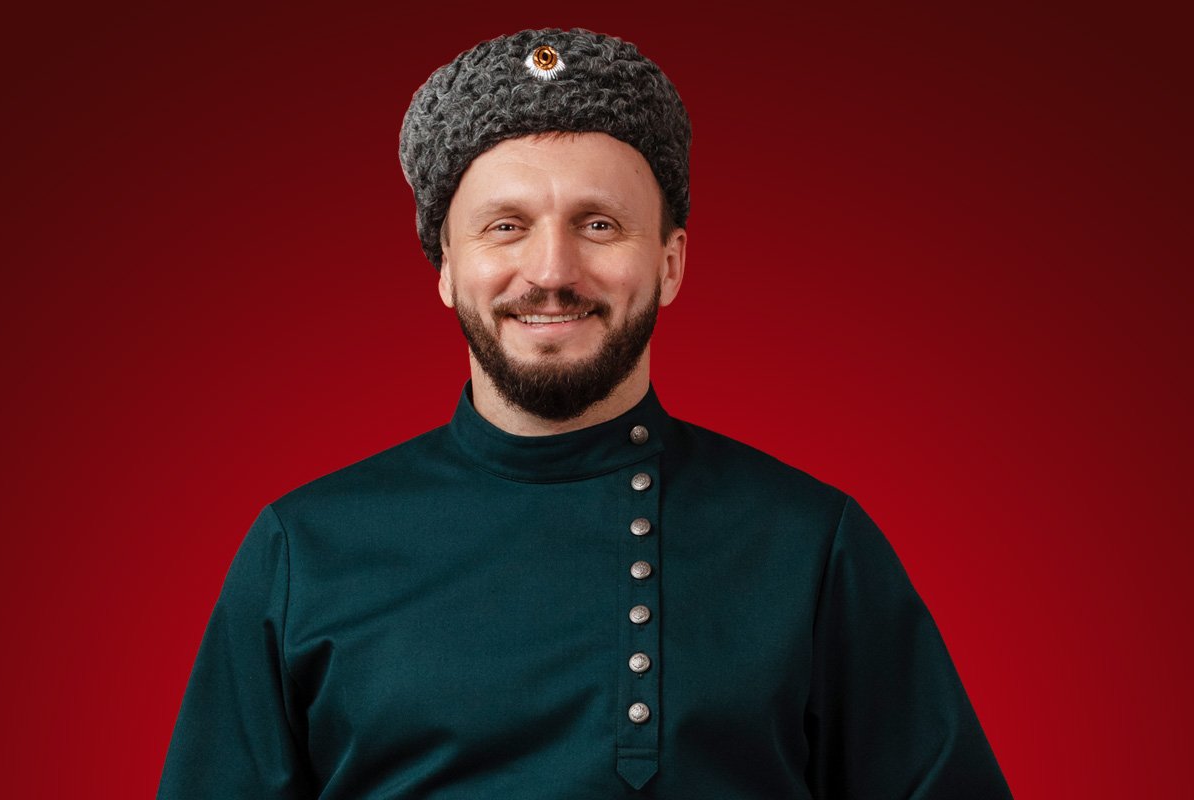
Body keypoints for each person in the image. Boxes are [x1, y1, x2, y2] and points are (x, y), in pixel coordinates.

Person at [158, 28, 1012, 799]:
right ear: (446, 267)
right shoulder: (303, 549)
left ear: (671, 264)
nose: (552, 271)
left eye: (599, 225)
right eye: (505, 226)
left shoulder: (809, 544)